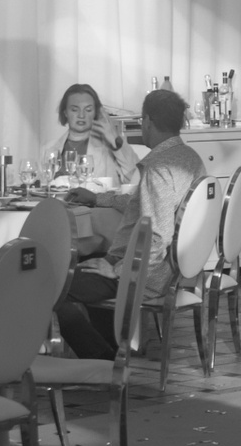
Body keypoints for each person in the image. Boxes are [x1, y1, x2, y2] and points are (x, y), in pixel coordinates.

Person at [53, 89, 207, 359]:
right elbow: (144, 204)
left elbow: (157, 238)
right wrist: (98, 198)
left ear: (147, 121)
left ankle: (103, 361)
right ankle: (110, 355)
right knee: (86, 265)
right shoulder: (190, 158)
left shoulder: (159, 169)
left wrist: (117, 269)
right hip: (175, 269)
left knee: (54, 286)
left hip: (146, 275)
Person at [42, 83, 141, 188]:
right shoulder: (49, 149)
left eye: (88, 110)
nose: (81, 115)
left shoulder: (108, 148)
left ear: (95, 113)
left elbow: (136, 180)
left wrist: (116, 141)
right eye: (74, 110)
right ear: (65, 112)